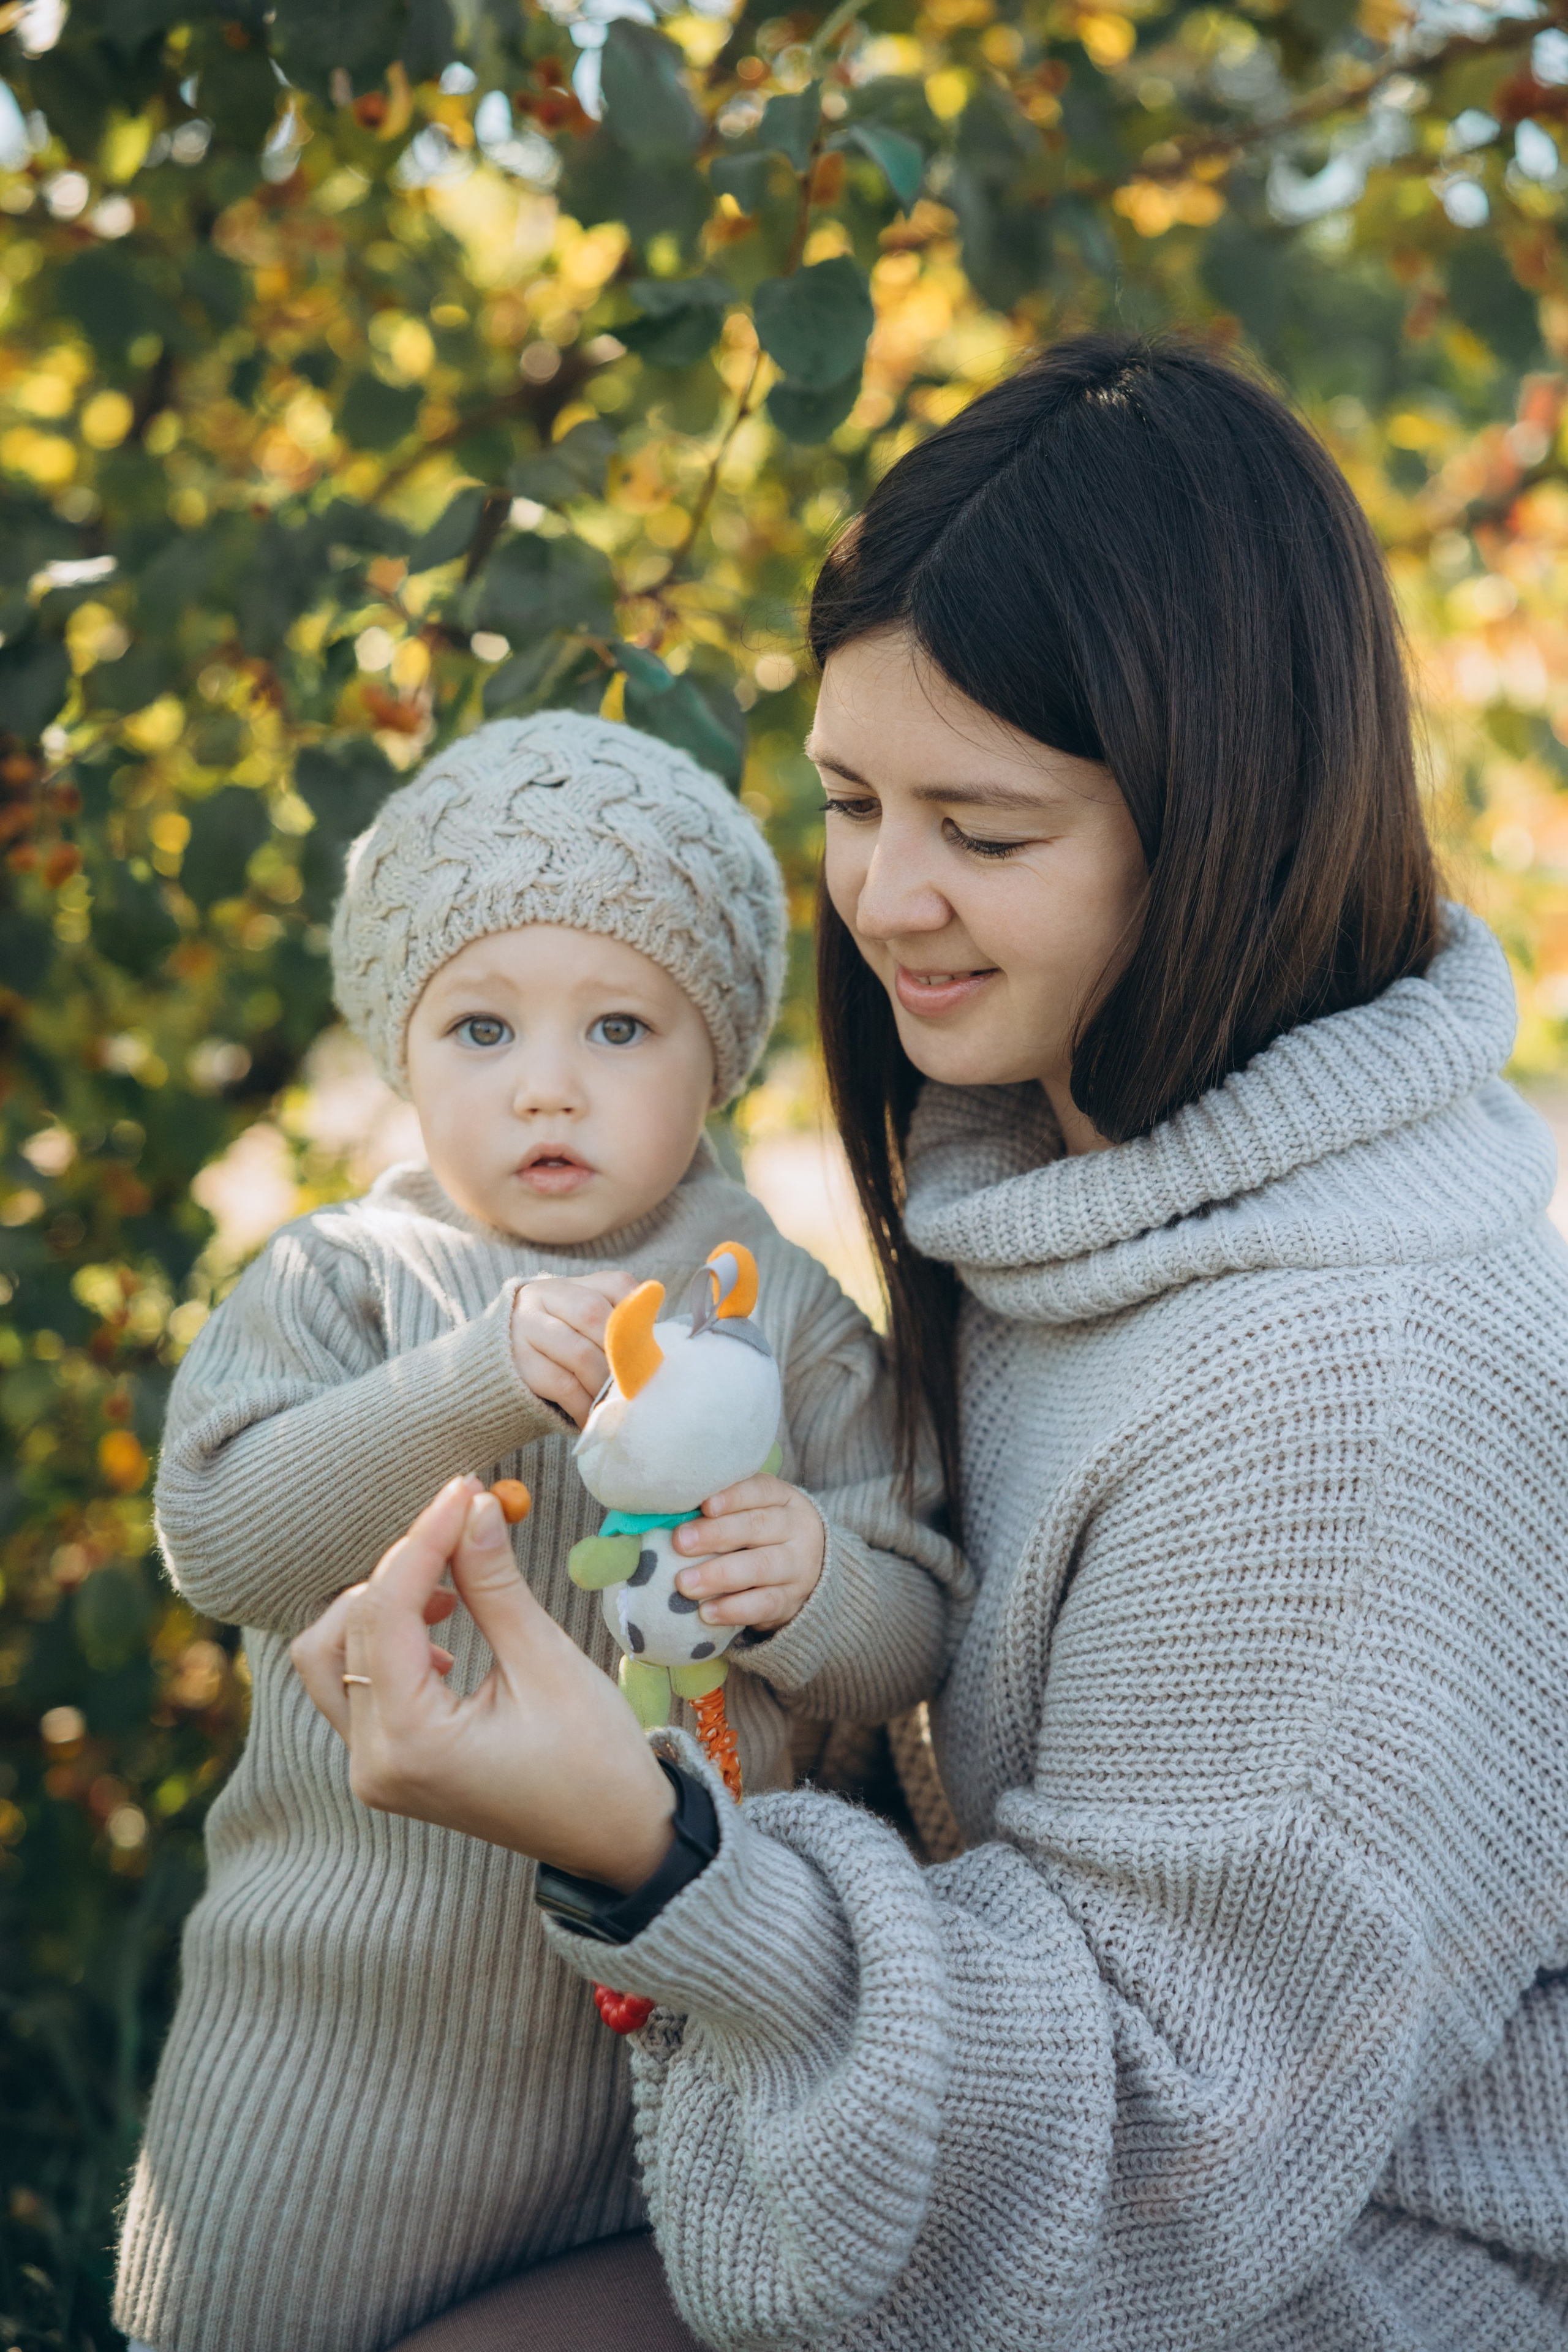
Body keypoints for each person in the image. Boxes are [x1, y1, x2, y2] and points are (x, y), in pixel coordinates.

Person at [294, 332, 1568, 2352]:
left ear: (1223, 814)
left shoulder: (1348, 1380)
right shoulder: (1065, 1163)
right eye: (852, 799)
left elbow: (1169, 2160)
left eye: (983, 830)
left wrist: (649, 1845)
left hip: (1327, 2282)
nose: (887, 900)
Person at [113, 714, 964, 2352]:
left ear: (716, 1059)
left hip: (663, 2047)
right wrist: (471, 1378)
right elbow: (220, 1534)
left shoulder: (775, 1307)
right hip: (338, 2025)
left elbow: (915, 1631)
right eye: (484, 1027)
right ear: (401, 1045)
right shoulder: (346, 1281)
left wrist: (811, 1583)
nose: (549, 1086)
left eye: (623, 1026)